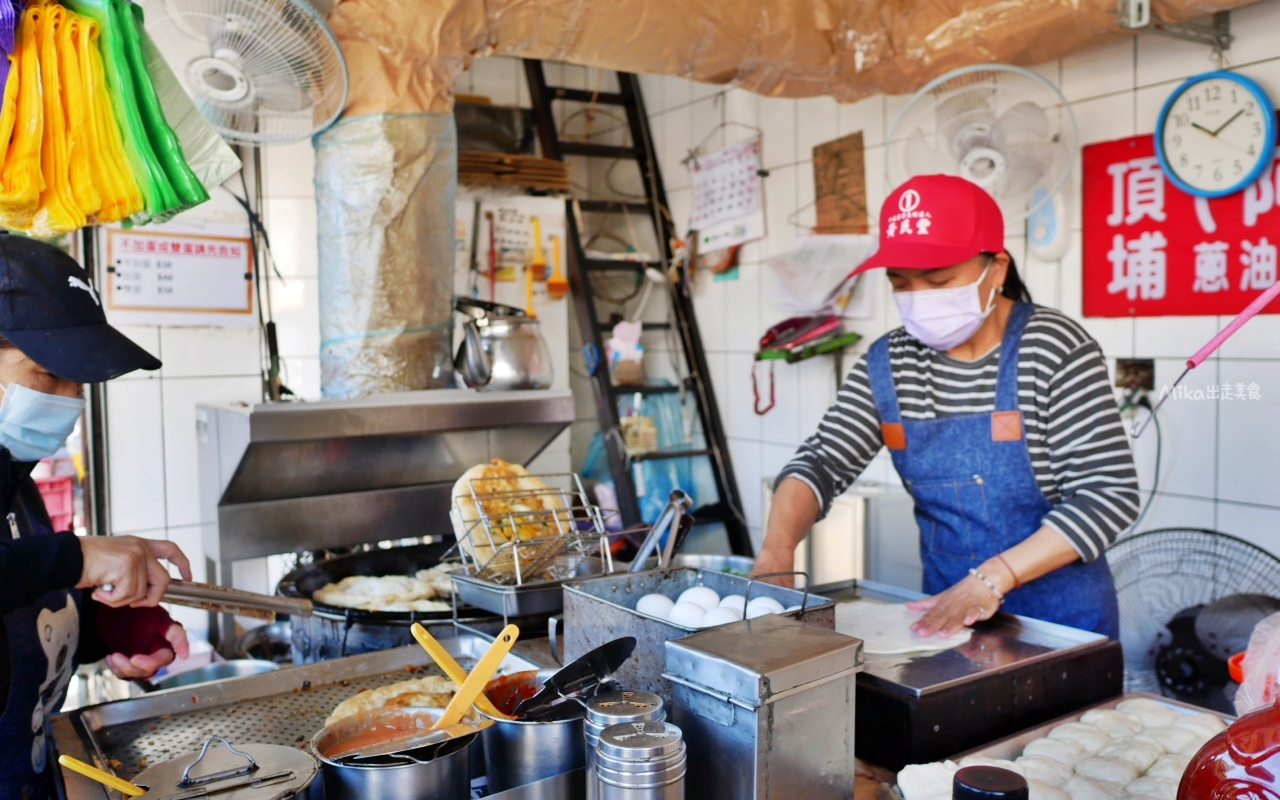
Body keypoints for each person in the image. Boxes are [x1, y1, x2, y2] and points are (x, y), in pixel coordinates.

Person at [750, 175, 1139, 639]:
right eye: (902, 283)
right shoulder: (889, 362)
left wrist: (992, 577)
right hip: (947, 621)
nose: (919, 298)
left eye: (938, 280)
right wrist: (776, 553)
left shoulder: (1053, 348)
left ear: (995, 269)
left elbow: (1108, 494)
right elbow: (820, 461)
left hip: (1062, 626)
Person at [0, 235, 192, 799]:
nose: (66, 399)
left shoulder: (15, 482)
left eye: (76, 381)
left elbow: (22, 594)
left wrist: (111, 622)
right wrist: (80, 555)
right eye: (45, 373)